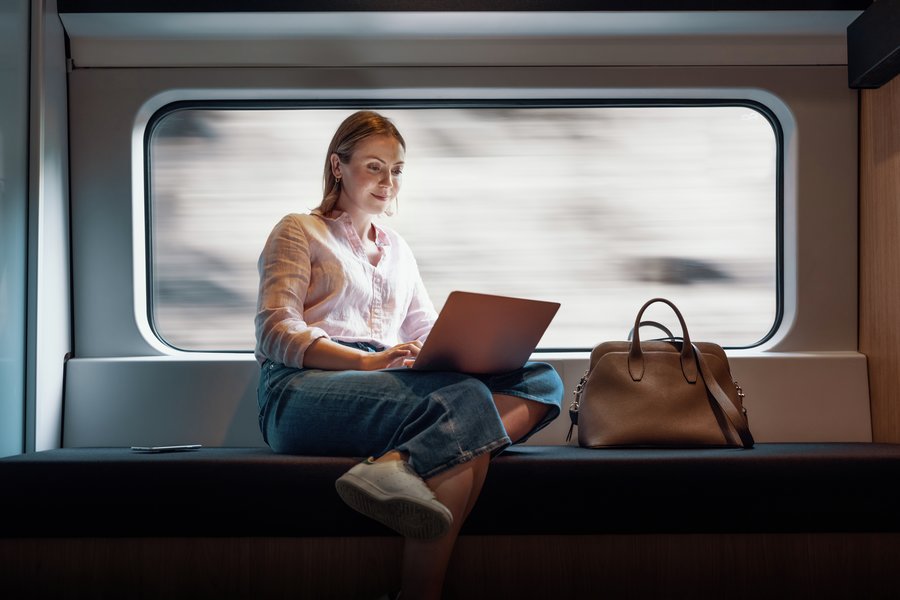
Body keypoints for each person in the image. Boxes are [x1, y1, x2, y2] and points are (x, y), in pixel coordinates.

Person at [255, 110, 563, 600]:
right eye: (374, 166)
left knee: (543, 381)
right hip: (300, 390)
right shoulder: (299, 231)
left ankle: (398, 463)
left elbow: (425, 328)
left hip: (384, 378)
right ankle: (420, 593)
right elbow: (274, 330)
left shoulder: (397, 249)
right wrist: (364, 361)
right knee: (469, 404)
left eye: (396, 170)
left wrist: (450, 351)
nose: (388, 181)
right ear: (338, 166)